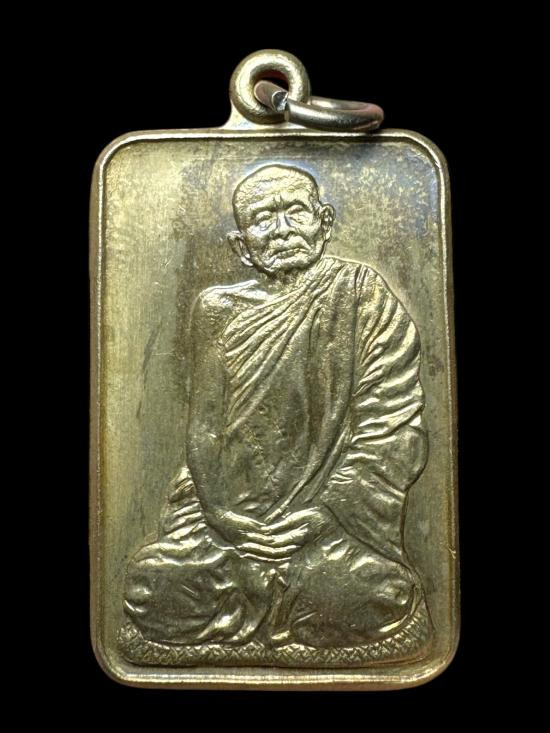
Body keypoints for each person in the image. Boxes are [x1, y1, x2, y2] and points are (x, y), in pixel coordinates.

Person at [123, 164, 430, 651]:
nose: (282, 229)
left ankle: (270, 596)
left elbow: (392, 426)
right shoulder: (217, 308)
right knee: (149, 587)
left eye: (295, 212)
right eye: (264, 219)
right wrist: (222, 517)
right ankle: (278, 600)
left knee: (378, 593)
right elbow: (204, 429)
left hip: (329, 522)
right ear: (242, 245)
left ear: (323, 223)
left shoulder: (361, 293)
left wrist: (323, 514)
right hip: (229, 519)